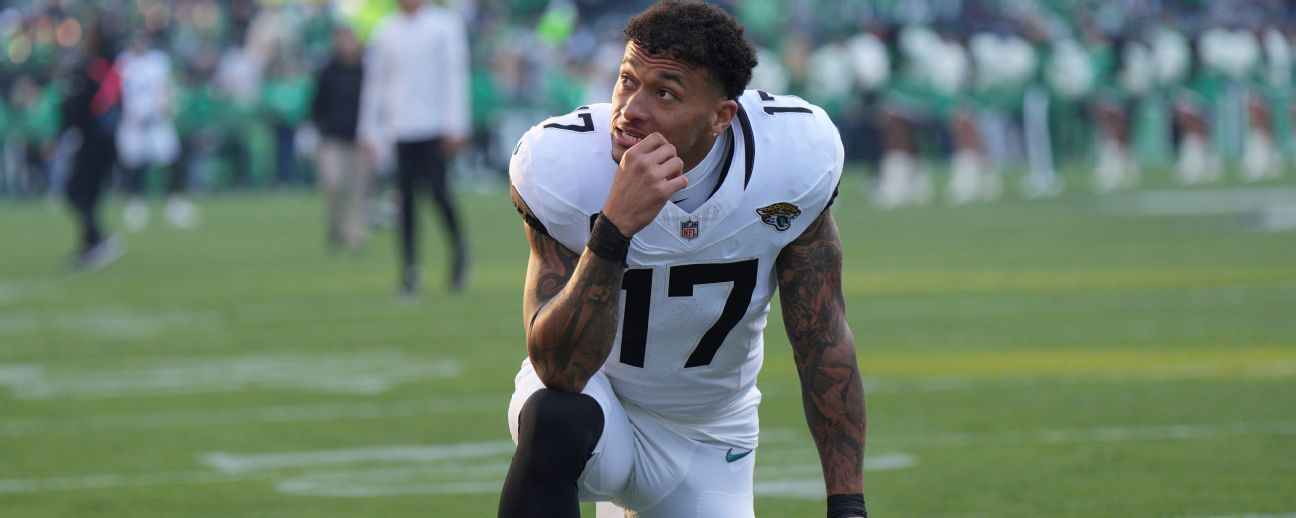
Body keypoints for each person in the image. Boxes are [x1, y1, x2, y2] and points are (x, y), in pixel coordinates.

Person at [498, 2, 867, 517]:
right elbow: (558, 371)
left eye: (665, 93)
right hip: (598, 401)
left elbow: (821, 337)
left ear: (721, 117)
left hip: (708, 435)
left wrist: (847, 503)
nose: (631, 109)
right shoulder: (564, 164)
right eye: (627, 80)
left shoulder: (792, 158)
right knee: (553, 416)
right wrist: (613, 229)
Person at [359, 0, 471, 295]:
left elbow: (455, 77)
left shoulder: (445, 26)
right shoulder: (385, 30)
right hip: (400, 126)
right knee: (405, 200)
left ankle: (459, 250)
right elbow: (375, 82)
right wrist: (368, 129)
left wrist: (456, 125)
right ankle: (409, 270)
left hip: (435, 125)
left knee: (439, 194)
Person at [61, 19, 124, 272]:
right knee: (89, 193)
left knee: (76, 191)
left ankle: (97, 239)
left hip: (91, 140)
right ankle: (90, 244)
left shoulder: (89, 68)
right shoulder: (112, 68)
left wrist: (63, 128)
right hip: (108, 139)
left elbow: (76, 106)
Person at [114, 31, 194, 232]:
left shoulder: (159, 60)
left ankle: (175, 201)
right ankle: (135, 204)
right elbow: (117, 91)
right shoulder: (123, 61)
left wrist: (166, 106)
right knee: (133, 164)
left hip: (157, 119)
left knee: (172, 158)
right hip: (133, 121)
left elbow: (169, 86)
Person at [311, 26, 370, 252]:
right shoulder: (329, 71)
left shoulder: (366, 71)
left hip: (360, 139)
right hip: (333, 138)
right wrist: (321, 128)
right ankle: (335, 223)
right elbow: (317, 103)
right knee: (332, 183)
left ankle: (353, 235)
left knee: (358, 190)